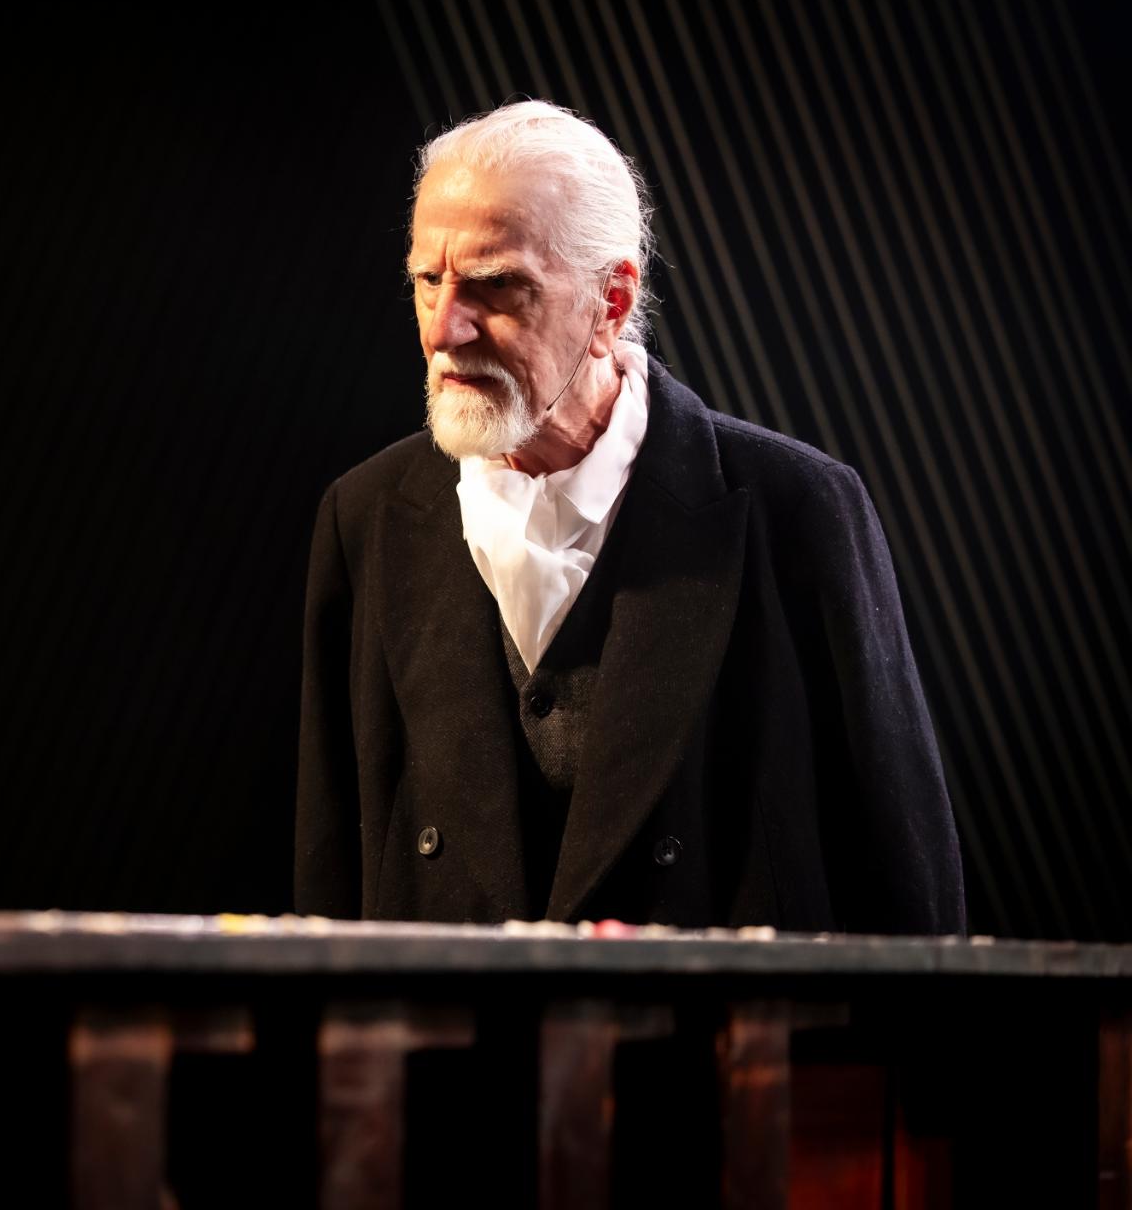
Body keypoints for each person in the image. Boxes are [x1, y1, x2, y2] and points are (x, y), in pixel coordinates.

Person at [295, 101, 964, 934]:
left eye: (496, 285)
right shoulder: (364, 518)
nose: (445, 329)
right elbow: (328, 881)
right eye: (429, 281)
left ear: (611, 302)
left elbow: (905, 884)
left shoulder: (799, 509)